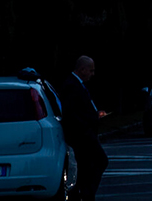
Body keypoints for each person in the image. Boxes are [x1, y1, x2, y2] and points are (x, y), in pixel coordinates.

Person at [60, 55, 109, 201]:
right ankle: (85, 193)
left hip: (84, 133)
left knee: (86, 166)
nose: (92, 74)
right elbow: (72, 113)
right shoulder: (72, 86)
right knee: (99, 161)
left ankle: (81, 193)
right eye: (91, 71)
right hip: (82, 135)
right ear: (82, 69)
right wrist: (87, 125)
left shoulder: (76, 85)